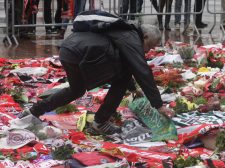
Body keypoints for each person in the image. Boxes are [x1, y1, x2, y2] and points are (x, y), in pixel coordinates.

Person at [19, 11, 174, 135]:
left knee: (76, 90)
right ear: (144, 36)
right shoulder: (131, 36)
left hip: (69, 50)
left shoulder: (124, 31)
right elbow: (141, 70)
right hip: (82, 54)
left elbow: (127, 63)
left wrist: (133, 89)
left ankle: (33, 112)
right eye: (150, 46)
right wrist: (158, 105)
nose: (148, 51)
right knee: (122, 79)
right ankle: (100, 122)